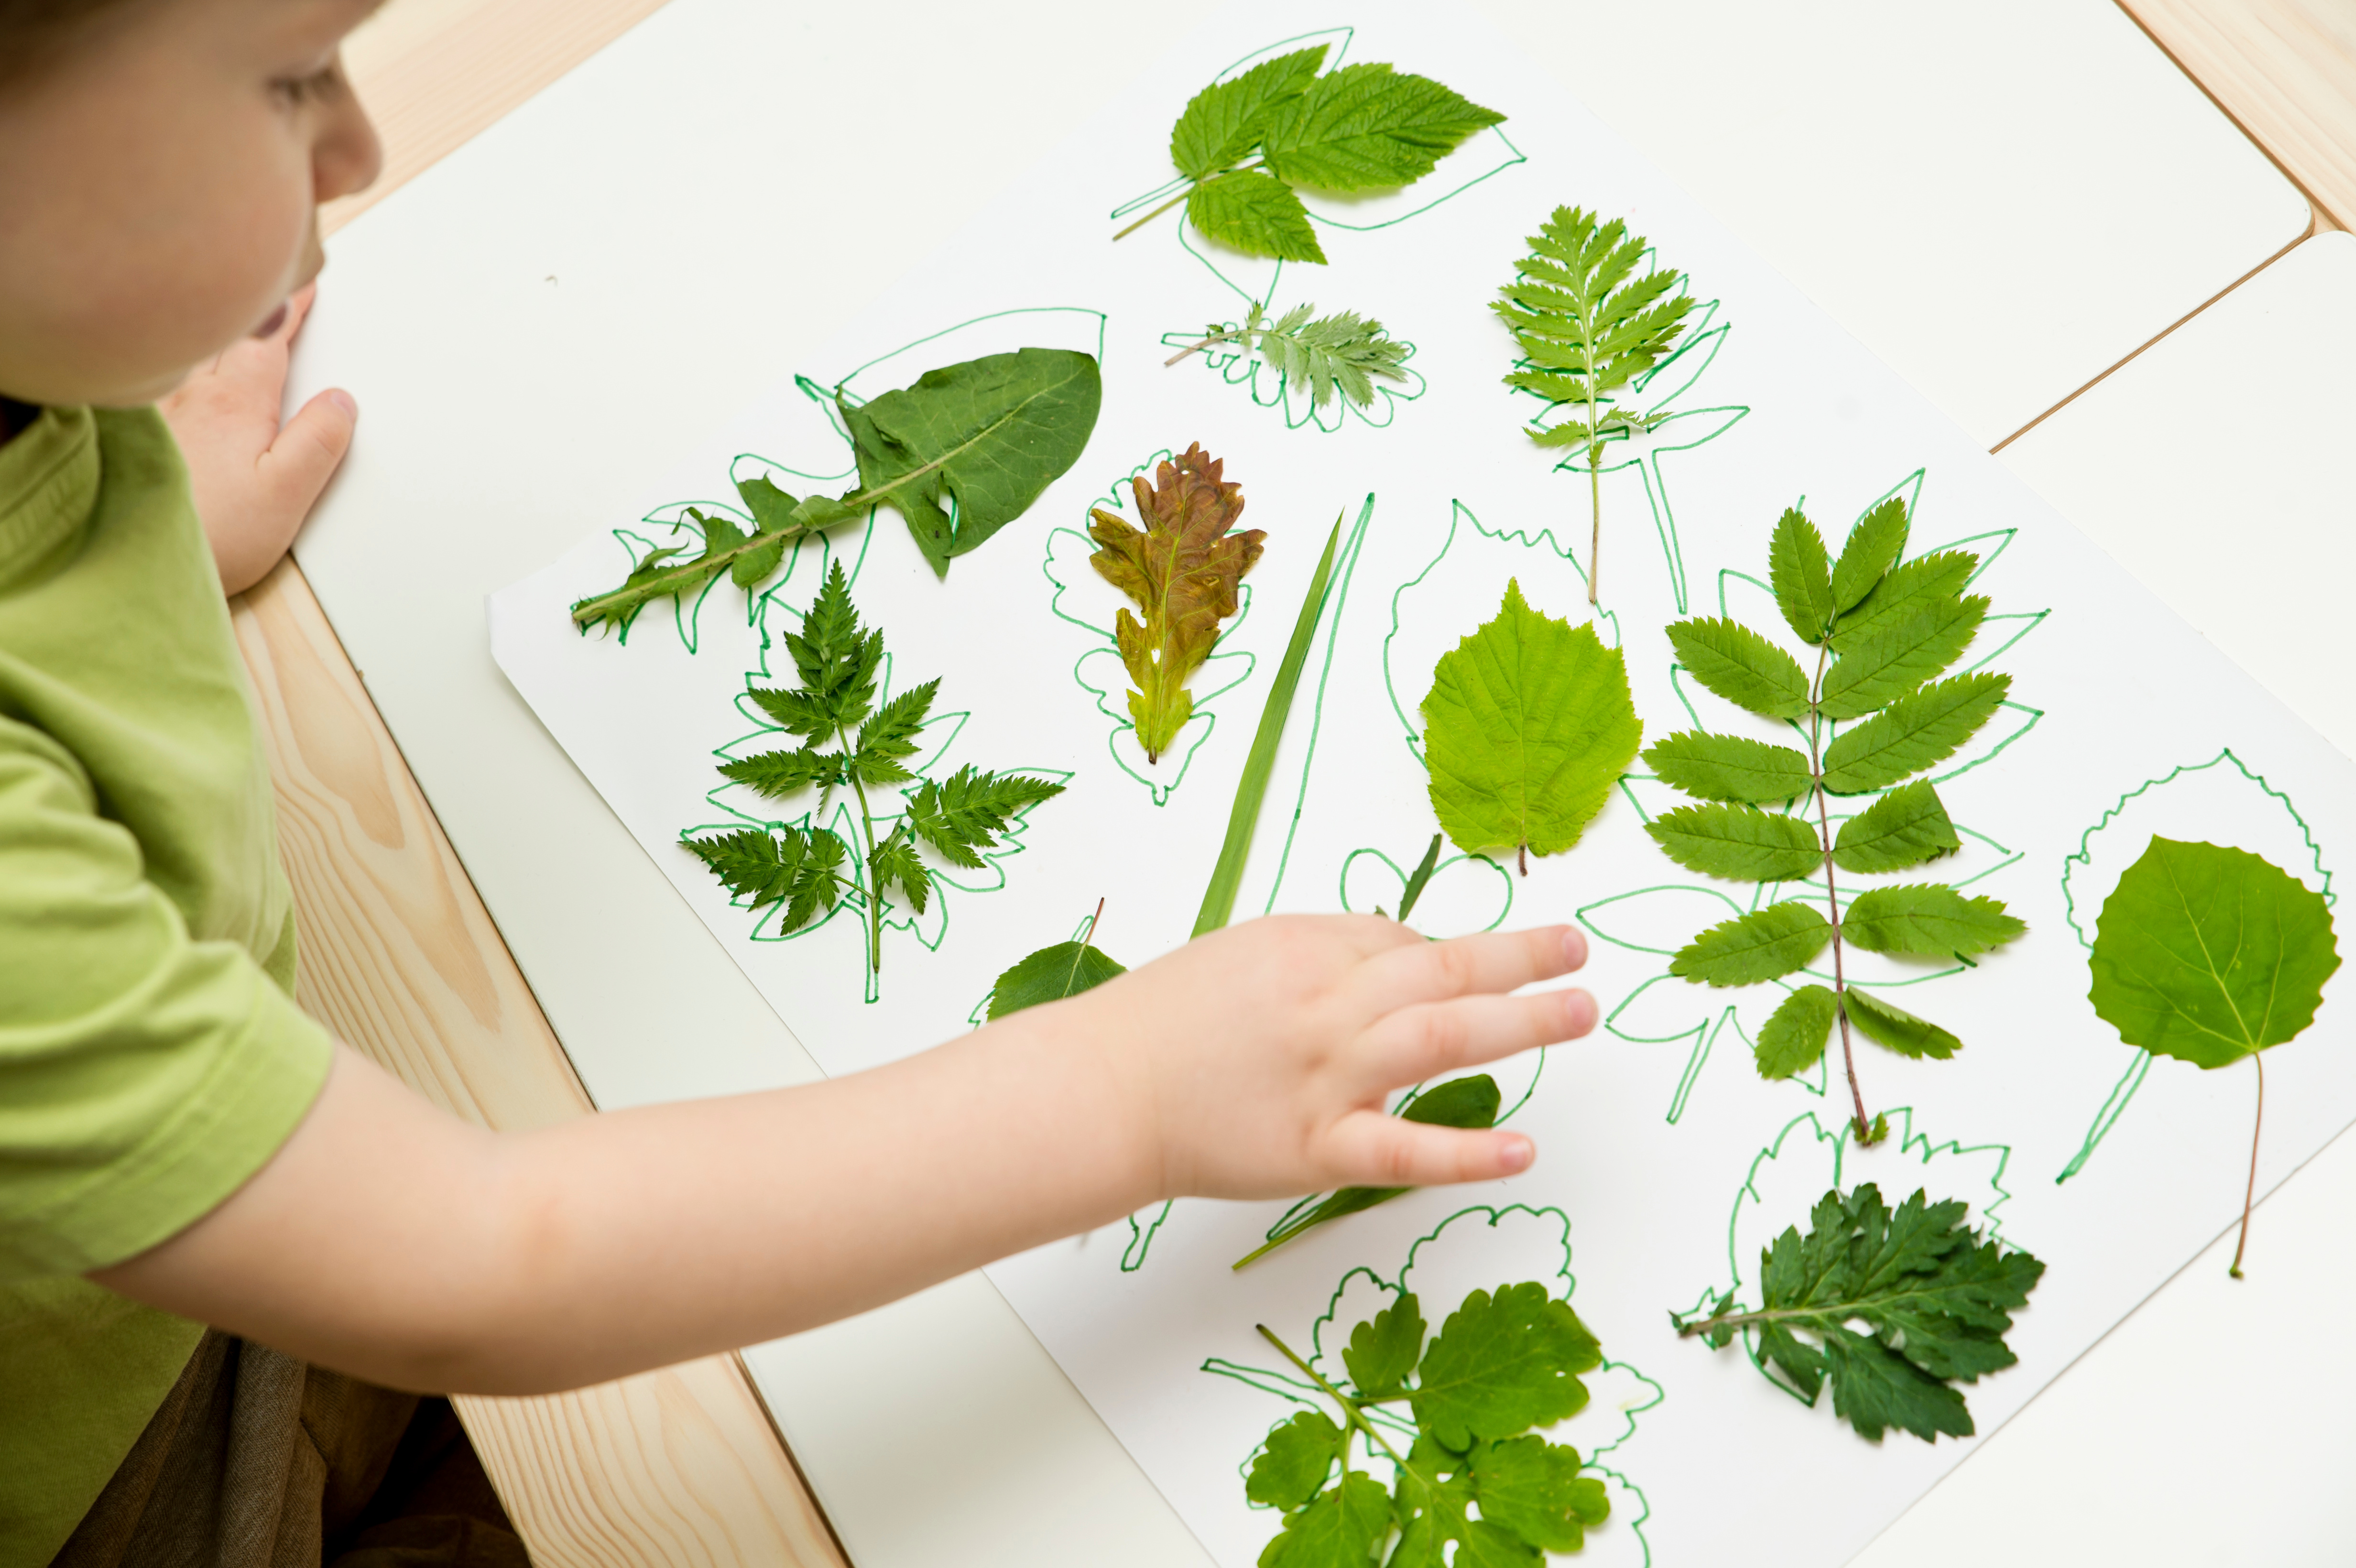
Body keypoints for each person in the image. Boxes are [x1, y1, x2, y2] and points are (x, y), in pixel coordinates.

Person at [0, 0, 1602, 1562]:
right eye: (286, 84)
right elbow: (482, 1265)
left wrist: (111, 522)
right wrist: (1130, 1095)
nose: (356, 143)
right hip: (143, 1467)